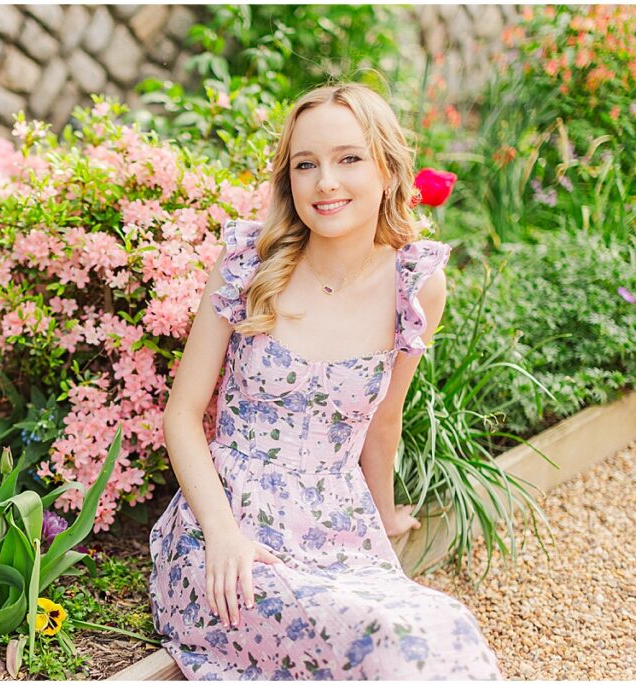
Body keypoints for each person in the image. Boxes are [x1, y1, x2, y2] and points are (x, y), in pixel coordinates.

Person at [148, 83, 503, 680]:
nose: (325, 182)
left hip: (341, 532)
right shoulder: (245, 265)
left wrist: (386, 531)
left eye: (349, 159)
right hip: (229, 535)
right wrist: (223, 535)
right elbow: (181, 415)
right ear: (289, 179)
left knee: (448, 628)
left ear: (388, 169)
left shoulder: (415, 286)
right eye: (305, 164)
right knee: (381, 643)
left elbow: (382, 422)